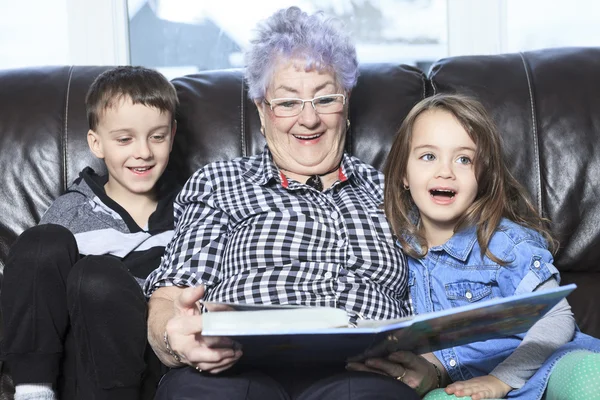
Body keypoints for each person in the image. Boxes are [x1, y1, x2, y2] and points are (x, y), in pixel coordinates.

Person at [144, 6, 419, 400]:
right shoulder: (220, 182)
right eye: (287, 103)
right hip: (234, 370)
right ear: (261, 110)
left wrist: (435, 366)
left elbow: (439, 292)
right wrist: (175, 340)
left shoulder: (394, 192)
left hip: (361, 374)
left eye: (325, 99)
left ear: (347, 102)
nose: (308, 120)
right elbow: (171, 298)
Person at [347, 93, 600, 399]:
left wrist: (501, 381)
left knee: (588, 376)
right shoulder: (396, 249)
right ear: (403, 173)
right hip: (464, 385)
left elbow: (558, 319)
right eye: (429, 156)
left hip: (546, 369)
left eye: (463, 159)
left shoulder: (503, 242)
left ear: (482, 176)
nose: (445, 171)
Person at [0, 66, 180, 400]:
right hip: (75, 367)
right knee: (43, 243)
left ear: (172, 134)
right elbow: (32, 285)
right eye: (124, 139)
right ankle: (32, 391)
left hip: (144, 365)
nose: (143, 151)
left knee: (99, 275)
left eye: (157, 137)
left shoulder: (192, 211)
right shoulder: (71, 211)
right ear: (96, 144)